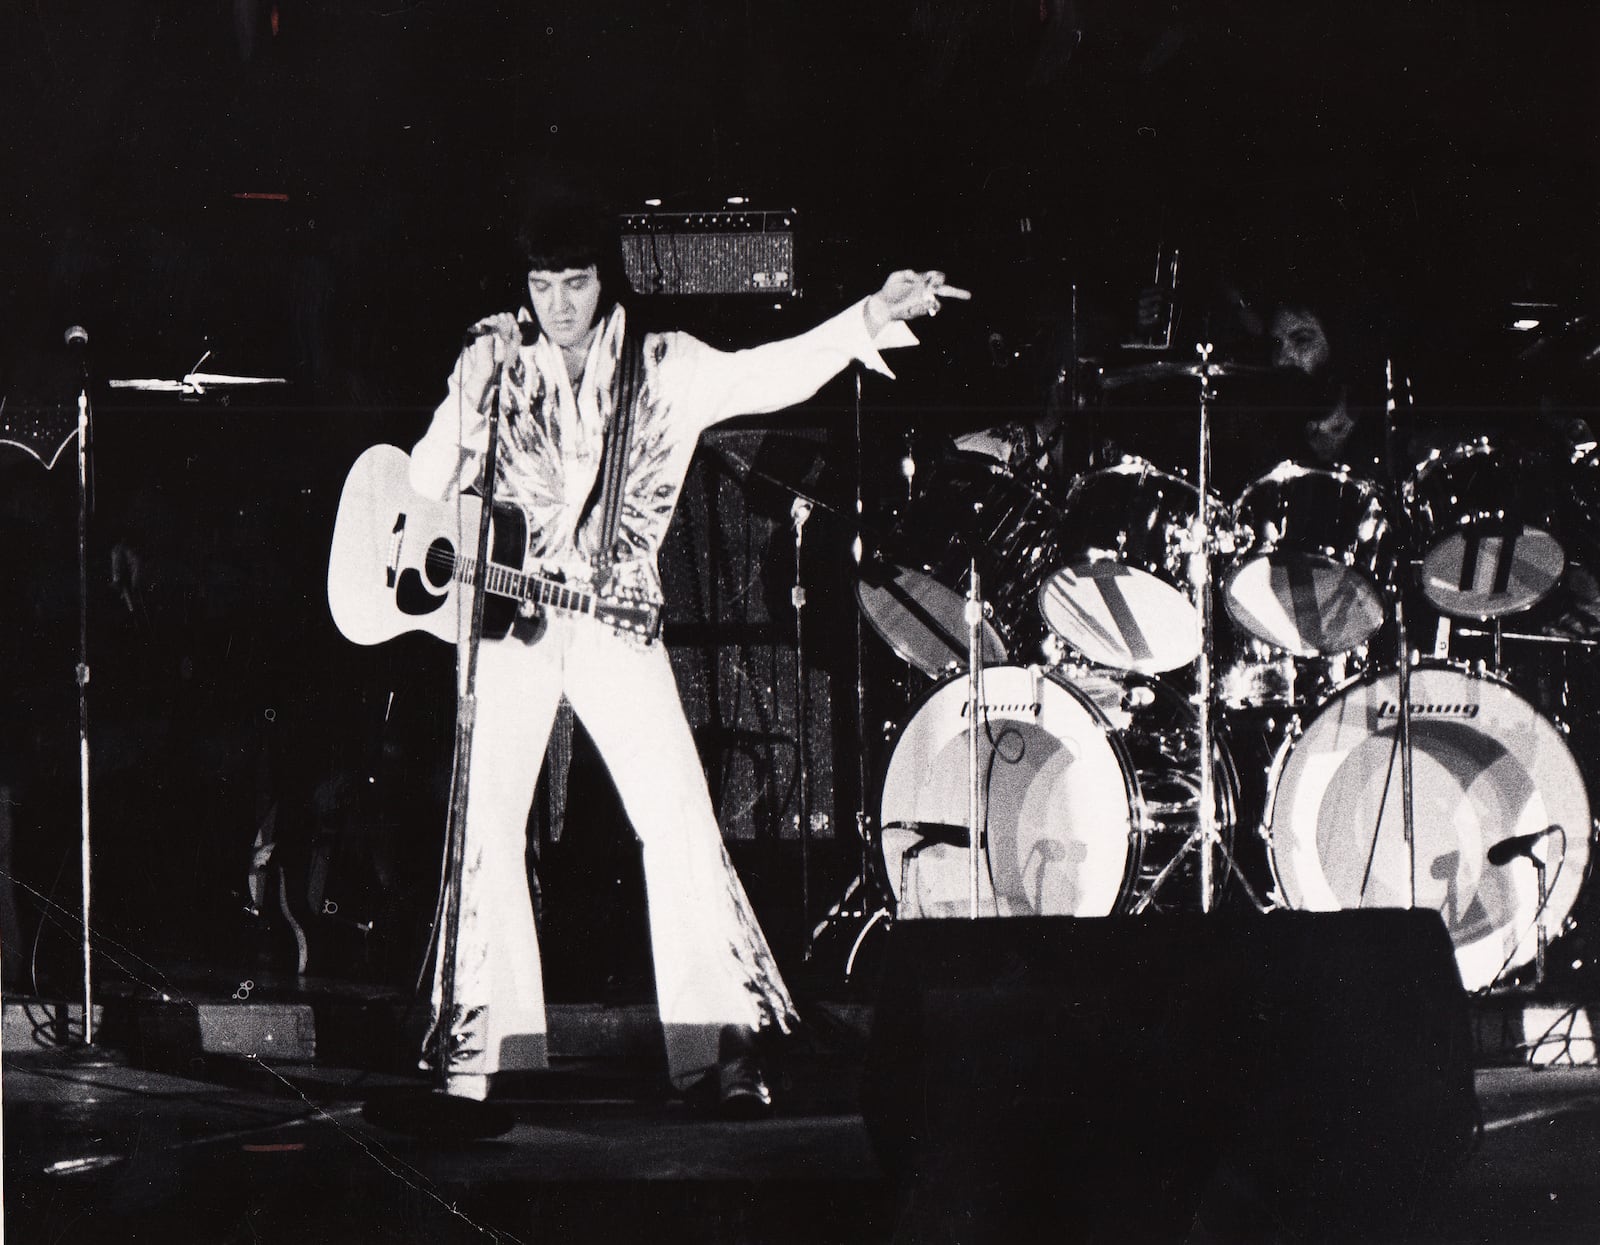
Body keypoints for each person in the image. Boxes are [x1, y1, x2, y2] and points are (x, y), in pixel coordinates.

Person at [406, 194, 952, 1113]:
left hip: (618, 624)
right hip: (516, 621)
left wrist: (871, 313)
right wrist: (471, 379)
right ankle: (485, 1051)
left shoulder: (665, 366)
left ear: (602, 281)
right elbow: (425, 478)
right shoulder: (499, 368)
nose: (558, 304)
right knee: (486, 828)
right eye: (542, 285)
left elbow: (772, 372)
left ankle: (720, 1052)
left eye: (574, 283)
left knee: (682, 827)